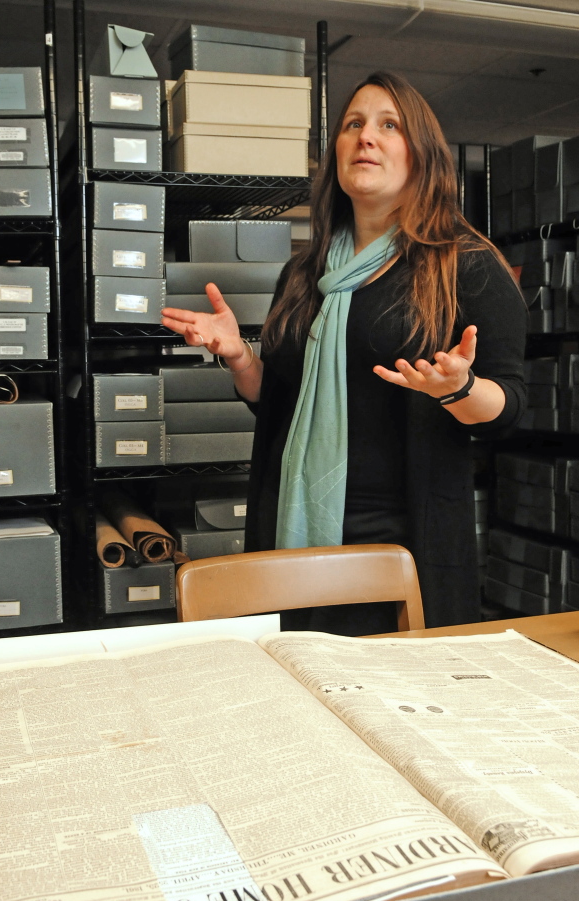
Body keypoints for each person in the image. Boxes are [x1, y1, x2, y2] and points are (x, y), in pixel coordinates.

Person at [161, 71, 526, 632]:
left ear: (422, 154)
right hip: (291, 530)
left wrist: (459, 388)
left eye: (388, 125)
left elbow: (509, 410)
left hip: (399, 551)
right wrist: (239, 357)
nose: (366, 137)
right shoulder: (307, 271)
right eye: (353, 124)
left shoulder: (465, 264)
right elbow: (277, 400)